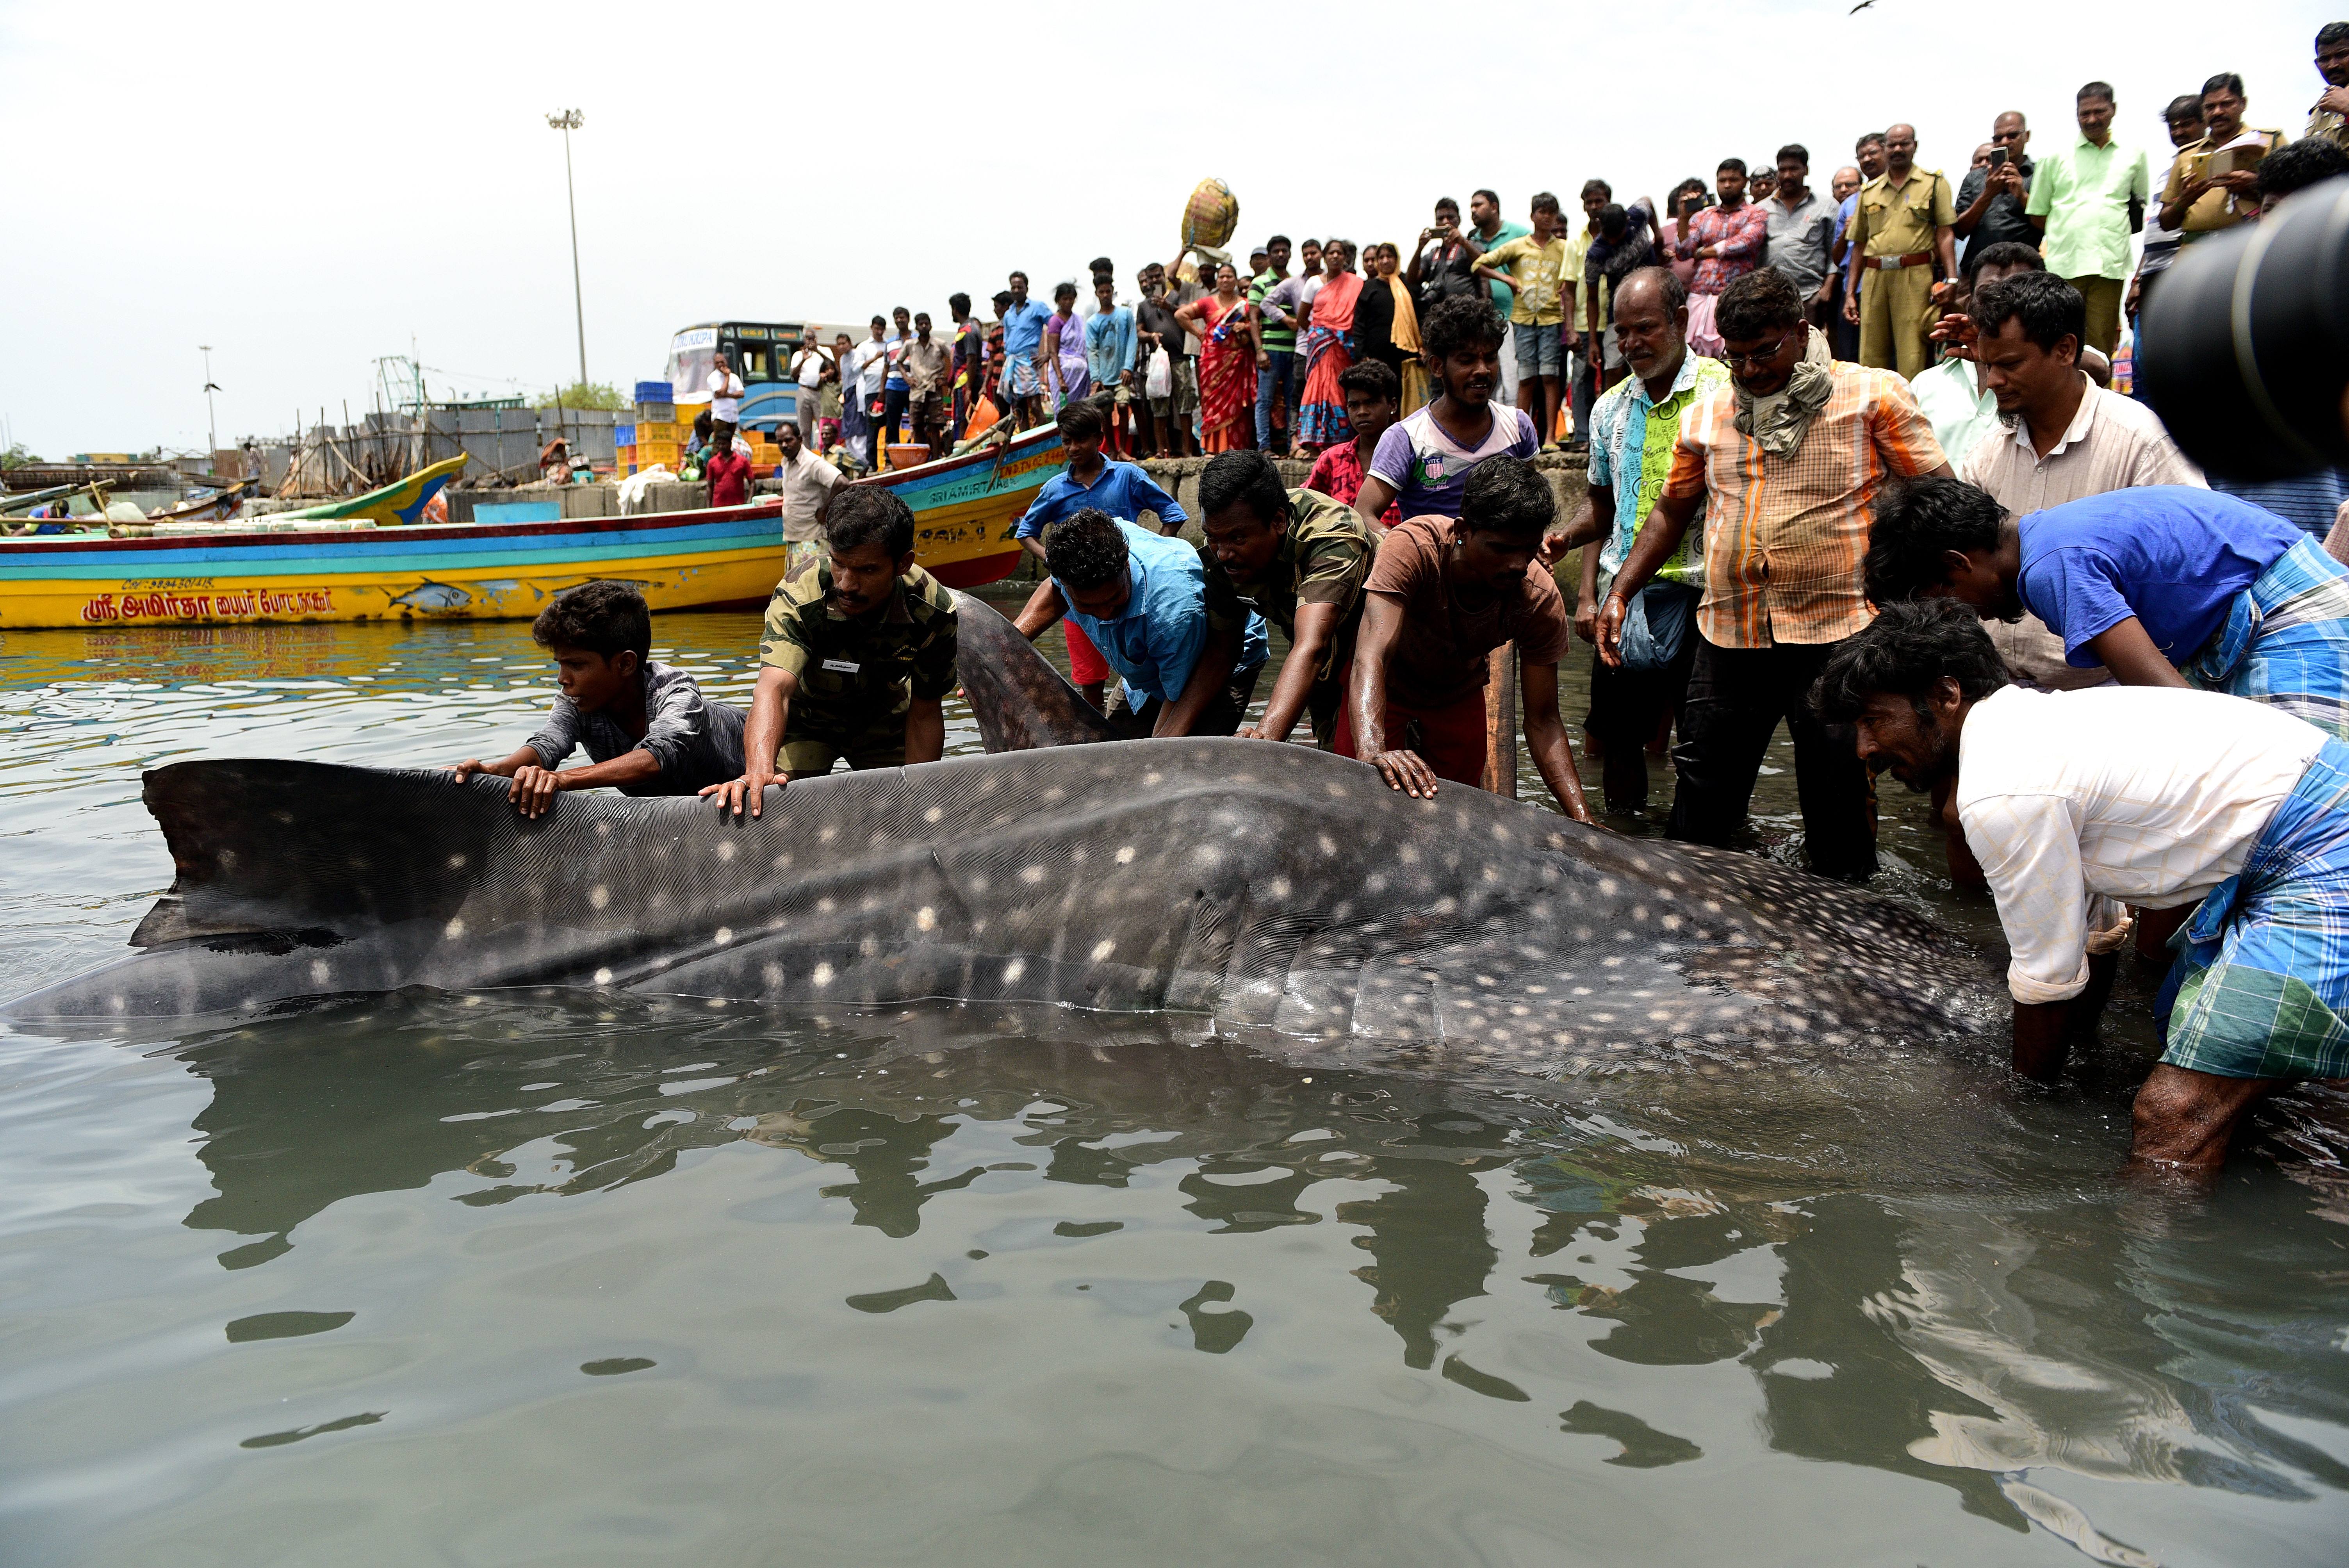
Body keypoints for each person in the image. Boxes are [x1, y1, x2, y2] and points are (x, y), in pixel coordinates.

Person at [1816, 599, 2349, 1174]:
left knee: (2175, 1114)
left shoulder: (2002, 791)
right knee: (2184, 1028)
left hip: (2324, 844)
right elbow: (2096, 932)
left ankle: (2146, 1259)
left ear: (1946, 696)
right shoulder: (2040, 723)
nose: (1864, 750)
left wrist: (2021, 1108)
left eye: (1874, 720)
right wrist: (2081, 1047)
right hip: (2308, 814)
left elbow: (2046, 980)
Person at [1598, 268, 1950, 880]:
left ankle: (1846, 939)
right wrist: (1620, 591)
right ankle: (1695, 933)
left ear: (1800, 331)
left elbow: (1939, 499)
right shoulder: (1710, 417)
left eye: (1766, 352)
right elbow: (1670, 512)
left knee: (1837, 793)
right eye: (1737, 358)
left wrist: (1923, 610)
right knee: (1702, 794)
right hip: (1732, 630)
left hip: (1840, 630)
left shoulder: (1873, 396)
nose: (1752, 370)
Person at [1864, 477, 2349, 739]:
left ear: (1958, 563)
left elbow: (2178, 708)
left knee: (2298, 794)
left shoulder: (2049, 567)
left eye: (1944, 601)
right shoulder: (2049, 536)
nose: (1965, 616)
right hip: (2267, 607)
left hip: (2291, 614)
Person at [1560, 267, 1731, 814]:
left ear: (1680, 322)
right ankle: (1624, 844)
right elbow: (1604, 508)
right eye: (1622, 332)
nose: (1632, 344)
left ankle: (1707, 859)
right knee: (1618, 739)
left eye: (1646, 329)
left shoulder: (1725, 392)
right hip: (1626, 600)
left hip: (1707, 597)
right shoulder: (1609, 408)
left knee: (1708, 747)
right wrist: (1565, 538)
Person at [1340, 457, 1592, 822]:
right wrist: (1371, 750)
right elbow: (1372, 656)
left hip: (1456, 692)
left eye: (1529, 548)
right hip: (1386, 685)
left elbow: (1543, 721)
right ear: (1463, 530)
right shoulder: (1413, 547)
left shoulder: (1538, 598)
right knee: (1359, 795)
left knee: (1458, 818)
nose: (1518, 565)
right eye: (1502, 549)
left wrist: (1583, 819)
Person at [705, 488, 959, 816]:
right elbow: (774, 688)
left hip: (883, 718)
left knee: (909, 811)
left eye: (867, 570)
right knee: (770, 805)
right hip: (807, 720)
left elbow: (925, 712)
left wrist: (919, 795)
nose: (847, 584)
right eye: (839, 564)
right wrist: (758, 772)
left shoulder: (933, 611)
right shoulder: (801, 594)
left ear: (902, 564)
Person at [449, 581, 748, 813]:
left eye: (577, 665)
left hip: (759, 768)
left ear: (625, 664)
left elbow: (657, 757)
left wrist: (564, 780)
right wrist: (494, 771)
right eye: (561, 664)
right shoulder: (577, 701)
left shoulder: (675, 691)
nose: (562, 679)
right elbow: (548, 743)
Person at [1013, 507, 1267, 738]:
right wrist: (1002, 647)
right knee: (1109, 747)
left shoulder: (1174, 611)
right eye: (1088, 606)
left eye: (1114, 600)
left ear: (1126, 566)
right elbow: (1055, 590)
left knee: (1178, 765)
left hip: (1218, 660)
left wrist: (1156, 757)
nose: (1104, 615)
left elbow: (1181, 698)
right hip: (1144, 664)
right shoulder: (1077, 553)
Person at [1012, 397, 1186, 707]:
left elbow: (1172, 514)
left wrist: (1156, 552)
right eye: (1067, 442)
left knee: (1138, 668)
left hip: (1124, 591)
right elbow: (1026, 533)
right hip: (1077, 600)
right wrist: (1054, 561)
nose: (1074, 448)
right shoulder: (1055, 489)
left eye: (1081, 440)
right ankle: (1096, 740)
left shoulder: (1127, 476)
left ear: (1099, 439)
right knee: (1089, 678)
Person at [1196, 449, 1378, 746]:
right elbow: (1220, 651)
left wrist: (1264, 739)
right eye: (1214, 538)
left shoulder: (1329, 535)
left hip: (1386, 651)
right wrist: (1160, 747)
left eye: (1238, 539)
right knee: (1329, 755)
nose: (1224, 553)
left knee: (1370, 758)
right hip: (1315, 663)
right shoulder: (1221, 548)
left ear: (1279, 522)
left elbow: (1313, 646)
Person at [1353, 296, 1538, 533]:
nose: (1483, 370)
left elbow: (1530, 506)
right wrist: (1403, 549)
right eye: (1467, 360)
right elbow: (1363, 514)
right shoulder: (1406, 439)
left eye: (1491, 358)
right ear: (1438, 367)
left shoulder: (1518, 427)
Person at [2026, 82, 2151, 356]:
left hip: (2110, 264)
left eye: (2099, 111)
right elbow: (2038, 214)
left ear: (2113, 110)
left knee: (2100, 347)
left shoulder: (2134, 153)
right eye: (2085, 113)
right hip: (2063, 265)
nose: (2092, 119)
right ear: (2077, 114)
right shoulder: (2054, 155)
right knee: (2057, 343)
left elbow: (2140, 205)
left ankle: (2099, 400)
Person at [1909, 243, 2053, 470]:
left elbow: (2100, 369)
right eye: (1989, 293)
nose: (2002, 304)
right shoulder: (1925, 384)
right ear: (1970, 304)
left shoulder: (2055, 370)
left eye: (2015, 294)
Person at [1843, 124, 1957, 379]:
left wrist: (1952, 279)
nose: (1897, 149)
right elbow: (1859, 244)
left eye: (1904, 143)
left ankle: (1910, 415)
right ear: (1884, 148)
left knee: (1912, 355)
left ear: (1915, 146)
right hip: (1874, 277)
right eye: (1892, 144)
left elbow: (1945, 233)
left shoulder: (1934, 183)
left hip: (1914, 275)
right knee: (1871, 356)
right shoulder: (1868, 191)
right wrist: (1850, 293)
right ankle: (1874, 413)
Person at [1473, 193, 1574, 451]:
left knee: (1551, 377)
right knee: (1526, 377)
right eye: (1542, 212)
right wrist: (1507, 279)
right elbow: (1480, 264)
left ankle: (1550, 437)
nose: (1547, 217)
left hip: (1552, 320)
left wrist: (1565, 284)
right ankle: (1520, 437)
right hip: (1523, 320)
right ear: (1533, 216)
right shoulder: (1519, 246)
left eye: (1552, 213)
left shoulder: (1563, 249)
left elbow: (1575, 277)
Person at [2160, 73, 2287, 243]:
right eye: (2210, 107)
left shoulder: (2270, 141)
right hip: (2197, 252)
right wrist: (2184, 201)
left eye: (2226, 104)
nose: (2218, 112)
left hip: (2253, 244)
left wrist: (2256, 183)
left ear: (2243, 103)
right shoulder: (2186, 155)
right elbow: (2166, 223)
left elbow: (2300, 197)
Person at [1672, 159, 1769, 359]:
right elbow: (1684, 251)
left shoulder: (1756, 213)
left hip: (1734, 297)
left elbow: (1744, 242)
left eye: (1733, 180)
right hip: (1699, 295)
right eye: (1722, 180)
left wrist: (1702, 252)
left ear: (1745, 182)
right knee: (1693, 356)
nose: (1727, 185)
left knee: (1731, 356)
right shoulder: (1703, 216)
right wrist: (1683, 217)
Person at [1176, 260, 1264, 454]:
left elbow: (1259, 326)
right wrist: (1200, 334)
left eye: (1229, 277)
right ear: (1218, 280)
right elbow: (1181, 315)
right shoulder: (1208, 302)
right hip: (1213, 360)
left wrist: (1246, 327)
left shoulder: (1245, 305)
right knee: (1211, 404)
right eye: (1222, 277)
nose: (1225, 280)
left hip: (1238, 362)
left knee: (1238, 405)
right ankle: (1212, 448)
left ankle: (1237, 449)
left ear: (1236, 280)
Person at [1305, 359, 1403, 528]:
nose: (1362, 412)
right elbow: (1305, 507)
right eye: (1354, 405)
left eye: (1371, 403)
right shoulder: (1332, 460)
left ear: (1392, 405)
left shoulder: (1410, 457)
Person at [1581, 198, 1657, 399]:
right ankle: (1610, 411)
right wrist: (1592, 342)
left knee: (1652, 361)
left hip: (1654, 302)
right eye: (1609, 236)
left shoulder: (1638, 216)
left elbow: (1648, 202)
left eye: (1618, 235)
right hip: (1620, 312)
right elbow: (1592, 299)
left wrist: (1658, 237)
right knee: (1613, 366)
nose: (1614, 241)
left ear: (1628, 221)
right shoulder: (1596, 255)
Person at [1294, 239, 1363, 455]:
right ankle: (1316, 441)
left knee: (1340, 389)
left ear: (1345, 257)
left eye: (1339, 253)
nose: (1335, 256)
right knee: (1319, 388)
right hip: (1321, 345)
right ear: (1325, 256)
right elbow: (1302, 318)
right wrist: (1320, 334)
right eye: (1331, 253)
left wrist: (1337, 334)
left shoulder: (1356, 283)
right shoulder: (1314, 283)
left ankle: (1341, 441)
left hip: (1345, 346)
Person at [1764, 144, 1839, 334]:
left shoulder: (1826, 206)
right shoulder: (1761, 209)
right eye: (1783, 170)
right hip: (1769, 298)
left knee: (1809, 352)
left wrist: (1827, 289)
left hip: (1810, 296)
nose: (1788, 175)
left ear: (1806, 170)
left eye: (1794, 169)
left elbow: (1835, 253)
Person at [1952, 111, 2037, 275]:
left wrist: (2022, 196)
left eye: (2012, 136)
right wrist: (1988, 194)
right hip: (1978, 272)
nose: (2005, 142)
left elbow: (2047, 223)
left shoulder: (2040, 174)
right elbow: (1959, 231)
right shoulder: (1975, 177)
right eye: (1998, 138)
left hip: (2024, 271)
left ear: (2026, 136)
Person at [1136, 264, 1197, 459]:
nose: (1155, 280)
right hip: (1158, 362)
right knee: (1159, 406)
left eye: (1158, 276)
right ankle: (1163, 450)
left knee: (1185, 404)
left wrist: (1168, 306)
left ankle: (1187, 451)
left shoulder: (1175, 297)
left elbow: (1187, 314)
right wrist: (1151, 335)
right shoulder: (1143, 306)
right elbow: (1139, 332)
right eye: (1151, 277)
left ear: (1164, 276)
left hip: (1180, 358)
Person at [771, 419, 843, 578]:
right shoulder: (787, 463)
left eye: (788, 440)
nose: (784, 445)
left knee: (813, 591)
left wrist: (825, 510)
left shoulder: (812, 463)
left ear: (800, 439)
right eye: (780, 442)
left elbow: (842, 483)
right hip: (794, 539)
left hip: (812, 541)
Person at [1367, 242, 1429, 413]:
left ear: (1397, 259)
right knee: (1382, 402)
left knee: (1409, 404)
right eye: (1381, 257)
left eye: (1390, 257)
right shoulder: (1370, 287)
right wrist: (1362, 354)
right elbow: (1360, 323)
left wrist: (1425, 347)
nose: (1386, 261)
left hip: (1408, 358)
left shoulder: (1410, 284)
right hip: (1379, 358)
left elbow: (1422, 316)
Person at [1250, 235, 1298, 454]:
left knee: (1292, 401)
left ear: (1290, 254)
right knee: (1265, 400)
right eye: (1276, 251)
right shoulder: (1259, 283)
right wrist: (1260, 350)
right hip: (1270, 350)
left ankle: (1292, 447)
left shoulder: (1296, 281)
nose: (1281, 255)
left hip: (1295, 350)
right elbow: (1254, 319)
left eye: (1284, 251)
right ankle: (1265, 448)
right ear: (1270, 256)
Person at [1082, 278, 1138, 456]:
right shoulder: (1092, 322)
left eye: (1108, 292)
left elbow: (1132, 341)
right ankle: (1113, 450)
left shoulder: (1125, 314)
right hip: (1104, 375)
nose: (1105, 295)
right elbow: (1092, 351)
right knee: (1105, 413)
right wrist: (1096, 379)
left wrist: (1128, 367)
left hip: (1122, 373)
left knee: (1123, 406)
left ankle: (1122, 449)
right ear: (1097, 294)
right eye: (1102, 292)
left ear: (1113, 292)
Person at [1000, 271, 1055, 429]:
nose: (1017, 290)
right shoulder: (1009, 314)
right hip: (1012, 361)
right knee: (1019, 407)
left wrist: (1049, 354)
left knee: (1036, 404)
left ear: (1026, 288)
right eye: (1014, 287)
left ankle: (1043, 441)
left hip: (1029, 360)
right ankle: (1026, 443)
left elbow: (1055, 326)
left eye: (1020, 287)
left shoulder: (1037, 307)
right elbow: (1007, 341)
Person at [1407, 198, 1482, 312]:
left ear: (1459, 220)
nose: (1446, 222)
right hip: (1439, 316)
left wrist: (1463, 243)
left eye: (1450, 217)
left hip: (1467, 312)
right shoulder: (1433, 254)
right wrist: (1420, 249)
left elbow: (1484, 263)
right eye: (1440, 219)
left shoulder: (1471, 245)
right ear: (1436, 223)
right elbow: (1412, 279)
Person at [1827, 160, 1867, 360]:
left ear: (1861, 184)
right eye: (1839, 186)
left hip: (1879, 283)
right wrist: (1846, 231)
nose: (1844, 190)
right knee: (1849, 352)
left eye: (1850, 185)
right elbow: (1837, 257)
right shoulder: (1846, 208)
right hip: (1851, 288)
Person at [901, 312, 950, 456]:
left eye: (926, 323)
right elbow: (898, 361)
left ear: (931, 325)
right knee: (917, 425)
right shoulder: (910, 345)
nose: (924, 326)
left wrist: (947, 379)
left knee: (936, 426)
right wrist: (907, 378)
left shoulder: (939, 344)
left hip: (934, 389)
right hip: (917, 391)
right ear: (916, 327)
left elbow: (954, 358)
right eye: (921, 324)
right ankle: (919, 458)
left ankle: (935, 458)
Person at [846, 318, 891, 466]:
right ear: (872, 328)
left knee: (891, 427)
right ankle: (872, 464)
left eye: (882, 329)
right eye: (877, 328)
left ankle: (890, 461)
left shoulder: (888, 344)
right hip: (872, 392)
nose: (879, 332)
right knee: (872, 429)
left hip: (890, 390)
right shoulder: (864, 347)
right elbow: (856, 368)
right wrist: (875, 358)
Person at [1042, 281, 1091, 412]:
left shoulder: (1079, 320)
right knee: (1064, 411)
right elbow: (1053, 352)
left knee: (1081, 412)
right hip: (1064, 374)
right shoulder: (1055, 321)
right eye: (1065, 299)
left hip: (1081, 376)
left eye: (1071, 299)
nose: (1068, 302)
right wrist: (1060, 379)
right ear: (1058, 300)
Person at [949, 291, 985, 441]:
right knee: (962, 418)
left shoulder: (969, 331)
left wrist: (969, 389)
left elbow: (971, 360)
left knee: (966, 418)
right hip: (962, 382)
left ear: (955, 309)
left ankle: (965, 452)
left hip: (967, 383)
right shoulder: (966, 328)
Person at [879, 306, 914, 450]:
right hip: (893, 387)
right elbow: (886, 367)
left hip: (913, 387)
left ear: (908, 319)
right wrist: (882, 390)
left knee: (917, 423)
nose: (900, 320)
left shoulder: (918, 339)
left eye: (902, 317)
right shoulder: (890, 343)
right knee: (892, 425)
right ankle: (890, 460)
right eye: (897, 318)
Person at [2313, 22, 2349, 151]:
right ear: (2317, 64)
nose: (2332, 65)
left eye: (2342, 55)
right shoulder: (2319, 109)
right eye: (2325, 59)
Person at [789, 337, 830, 448]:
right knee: (804, 430)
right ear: (804, 339)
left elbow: (832, 365)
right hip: (804, 390)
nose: (810, 341)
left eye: (812, 338)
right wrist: (803, 359)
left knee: (824, 427)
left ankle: (826, 454)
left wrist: (818, 351)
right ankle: (806, 455)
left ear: (816, 339)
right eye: (808, 338)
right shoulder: (798, 354)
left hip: (821, 392)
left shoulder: (824, 350)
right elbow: (793, 374)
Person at [706, 352, 745, 454]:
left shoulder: (735, 377)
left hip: (733, 417)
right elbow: (721, 392)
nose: (720, 365)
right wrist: (727, 377)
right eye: (717, 363)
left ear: (726, 362)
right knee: (719, 444)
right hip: (720, 417)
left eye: (722, 362)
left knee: (729, 444)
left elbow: (741, 394)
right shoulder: (713, 378)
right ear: (714, 364)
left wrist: (727, 395)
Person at [704, 433, 751, 507]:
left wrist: (749, 502)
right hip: (718, 506)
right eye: (719, 444)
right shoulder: (712, 463)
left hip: (738, 506)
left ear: (730, 444)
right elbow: (710, 486)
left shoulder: (743, 461)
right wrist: (708, 507)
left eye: (724, 444)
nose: (721, 447)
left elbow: (752, 483)